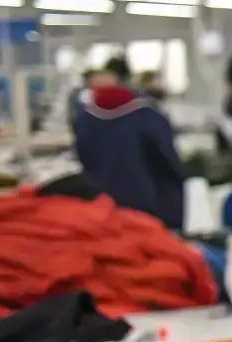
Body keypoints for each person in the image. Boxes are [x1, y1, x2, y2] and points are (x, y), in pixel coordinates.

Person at [71, 68, 186, 229]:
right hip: (147, 206)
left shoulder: (85, 120)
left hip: (102, 207)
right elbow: (169, 162)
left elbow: (83, 158)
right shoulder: (147, 117)